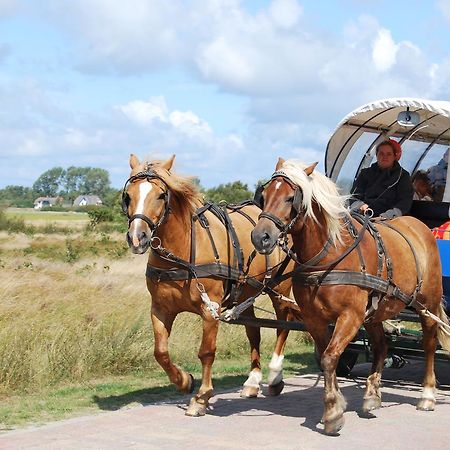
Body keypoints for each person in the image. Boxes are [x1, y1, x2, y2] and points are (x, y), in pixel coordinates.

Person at [350, 139, 413, 219]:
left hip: (390, 219)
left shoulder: (403, 176)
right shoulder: (365, 173)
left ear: (394, 157)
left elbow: (404, 202)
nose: (385, 157)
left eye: (389, 154)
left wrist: (388, 215)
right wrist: (360, 205)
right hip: (364, 215)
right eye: (381, 154)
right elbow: (354, 196)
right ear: (377, 155)